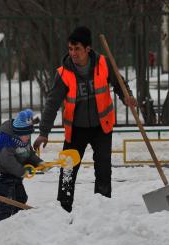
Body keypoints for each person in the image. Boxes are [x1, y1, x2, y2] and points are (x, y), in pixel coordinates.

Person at [33, 26, 137, 213]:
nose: (73, 53)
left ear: (87, 49)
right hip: (76, 129)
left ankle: (102, 208)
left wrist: (127, 96)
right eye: (70, 49)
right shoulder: (64, 73)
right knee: (68, 169)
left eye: (77, 49)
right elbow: (52, 103)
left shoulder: (104, 64)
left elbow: (120, 84)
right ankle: (63, 208)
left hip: (101, 127)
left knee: (103, 168)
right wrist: (43, 132)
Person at [0, 109, 44, 222]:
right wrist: (22, 171)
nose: (28, 137)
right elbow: (7, 161)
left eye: (29, 134)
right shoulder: (6, 140)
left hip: (16, 175)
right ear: (18, 133)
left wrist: (38, 162)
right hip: (3, 176)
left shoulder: (24, 138)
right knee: (6, 203)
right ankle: (2, 226)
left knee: (21, 199)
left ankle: (17, 223)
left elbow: (29, 153)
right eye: (26, 135)